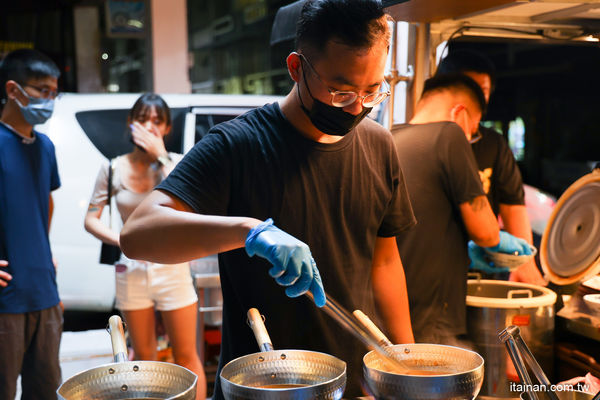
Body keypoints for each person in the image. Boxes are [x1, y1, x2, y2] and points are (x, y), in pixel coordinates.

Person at [119, 0, 416, 397]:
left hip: (352, 381)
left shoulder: (379, 146)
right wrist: (249, 231)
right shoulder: (237, 144)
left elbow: (385, 261)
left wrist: (405, 366)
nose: (358, 107)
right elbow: (138, 234)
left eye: (372, 91)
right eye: (341, 92)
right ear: (296, 68)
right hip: (259, 385)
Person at [392, 74, 532, 344]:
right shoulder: (449, 134)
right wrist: (496, 243)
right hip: (434, 317)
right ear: (460, 114)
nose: (471, 138)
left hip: (396, 313)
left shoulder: (388, 138)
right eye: (474, 128)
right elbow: (487, 234)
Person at [83, 93, 206, 400]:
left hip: (172, 267)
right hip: (131, 271)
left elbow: (189, 208)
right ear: (131, 123)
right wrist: (122, 240)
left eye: (157, 121)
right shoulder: (112, 168)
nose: (149, 126)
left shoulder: (176, 163)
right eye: (142, 118)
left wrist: (161, 156)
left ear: (166, 128)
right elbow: (90, 219)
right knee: (144, 359)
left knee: (187, 355)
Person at [436, 49, 546, 286]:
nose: (476, 97)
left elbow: (513, 207)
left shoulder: (494, 145)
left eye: (483, 90)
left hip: (485, 267)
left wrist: (524, 263)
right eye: (469, 88)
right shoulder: (431, 142)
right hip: (437, 265)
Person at [0, 49, 63, 399]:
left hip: (45, 294)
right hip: (5, 301)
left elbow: (46, 202)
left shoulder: (46, 147)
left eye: (55, 93)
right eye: (42, 91)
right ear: (13, 90)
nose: (49, 100)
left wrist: (42, 253)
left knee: (45, 389)